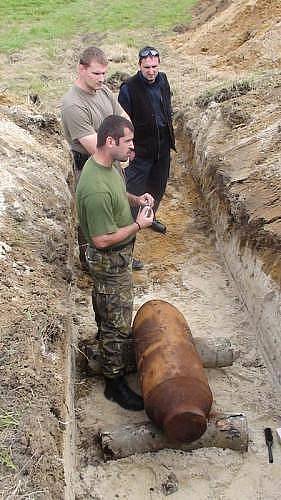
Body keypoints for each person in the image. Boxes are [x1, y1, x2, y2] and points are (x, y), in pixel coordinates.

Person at [76, 115, 154, 411]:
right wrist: (138, 226)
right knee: (118, 324)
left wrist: (135, 200)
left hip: (115, 261)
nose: (132, 148)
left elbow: (118, 194)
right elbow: (101, 240)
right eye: (128, 142)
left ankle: (103, 338)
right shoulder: (94, 187)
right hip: (110, 261)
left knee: (106, 307)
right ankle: (114, 382)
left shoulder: (109, 166)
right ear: (110, 141)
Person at [61, 46, 144, 270]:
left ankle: (121, 257)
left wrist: (123, 145)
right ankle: (93, 264)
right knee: (97, 215)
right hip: (90, 165)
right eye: (96, 73)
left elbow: (124, 119)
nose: (102, 78)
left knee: (117, 206)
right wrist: (123, 155)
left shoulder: (103, 91)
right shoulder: (73, 105)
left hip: (111, 161)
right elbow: (93, 147)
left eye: (104, 73)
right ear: (81, 69)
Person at [118, 46, 176, 232]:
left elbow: (167, 108)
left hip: (163, 147)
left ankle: (149, 217)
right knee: (133, 187)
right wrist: (130, 148)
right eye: (147, 68)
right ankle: (127, 224)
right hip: (140, 149)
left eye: (154, 67)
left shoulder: (163, 80)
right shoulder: (128, 89)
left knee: (157, 186)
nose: (151, 72)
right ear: (139, 65)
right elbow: (123, 121)